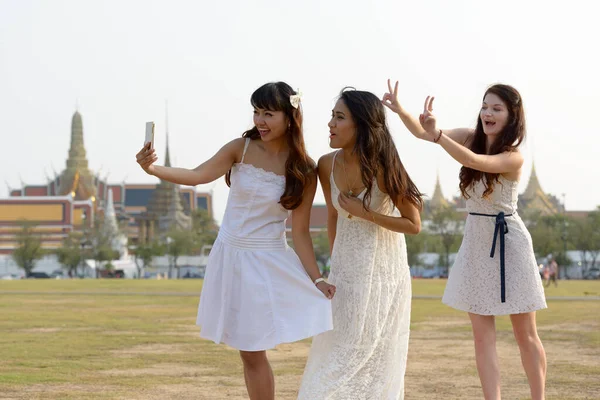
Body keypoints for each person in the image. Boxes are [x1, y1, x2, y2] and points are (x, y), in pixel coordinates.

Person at [135, 82, 334, 400]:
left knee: (253, 350)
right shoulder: (240, 147)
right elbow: (197, 175)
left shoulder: (304, 170)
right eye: (256, 112)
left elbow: (299, 233)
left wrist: (319, 278)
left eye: (268, 113)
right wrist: (152, 169)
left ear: (290, 116)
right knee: (249, 352)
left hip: (268, 262)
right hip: (230, 256)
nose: (260, 121)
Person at [384, 80, 547, 400]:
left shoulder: (513, 157)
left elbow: (477, 163)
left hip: (509, 242)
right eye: (485, 106)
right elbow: (422, 132)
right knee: (481, 337)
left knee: (525, 335)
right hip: (475, 241)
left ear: (512, 115)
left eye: (496, 109)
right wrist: (401, 109)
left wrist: (440, 135)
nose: (488, 113)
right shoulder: (469, 137)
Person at [298, 88, 422, 399]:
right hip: (345, 271)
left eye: (339, 117)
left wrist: (365, 212)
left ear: (361, 125)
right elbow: (332, 216)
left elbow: (413, 224)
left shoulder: (386, 165)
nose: (330, 123)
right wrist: (334, 264)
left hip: (384, 274)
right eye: (332, 116)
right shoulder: (325, 165)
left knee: (377, 359)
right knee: (335, 352)